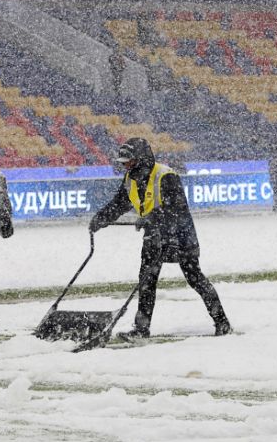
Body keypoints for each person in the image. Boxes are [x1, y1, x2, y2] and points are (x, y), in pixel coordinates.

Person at [89, 137, 231, 339]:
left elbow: (176, 208)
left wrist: (153, 218)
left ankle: (222, 323)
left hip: (180, 236)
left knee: (195, 278)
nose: (126, 166)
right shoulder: (130, 179)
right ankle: (141, 329)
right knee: (146, 281)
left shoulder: (165, 176)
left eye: (129, 161)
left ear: (141, 158)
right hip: (153, 236)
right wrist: (100, 219)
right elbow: (119, 204)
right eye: (124, 163)